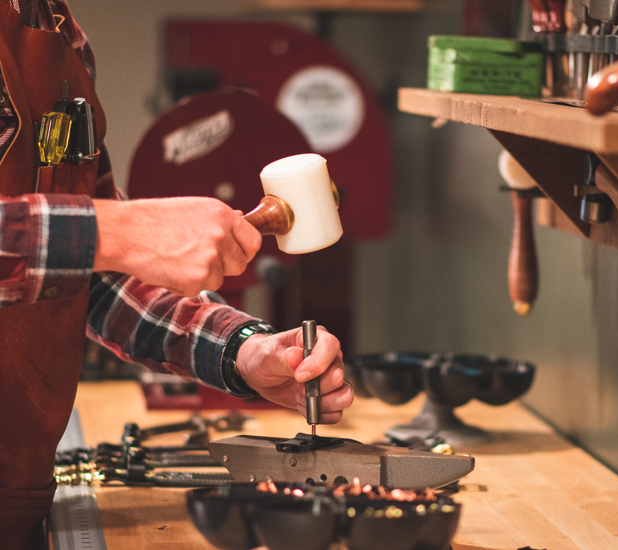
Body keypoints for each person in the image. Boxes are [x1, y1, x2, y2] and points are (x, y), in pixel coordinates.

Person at [0, 1, 353, 547]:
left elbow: (82, 273)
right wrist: (118, 232)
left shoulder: (54, 26)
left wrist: (241, 351)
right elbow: (95, 240)